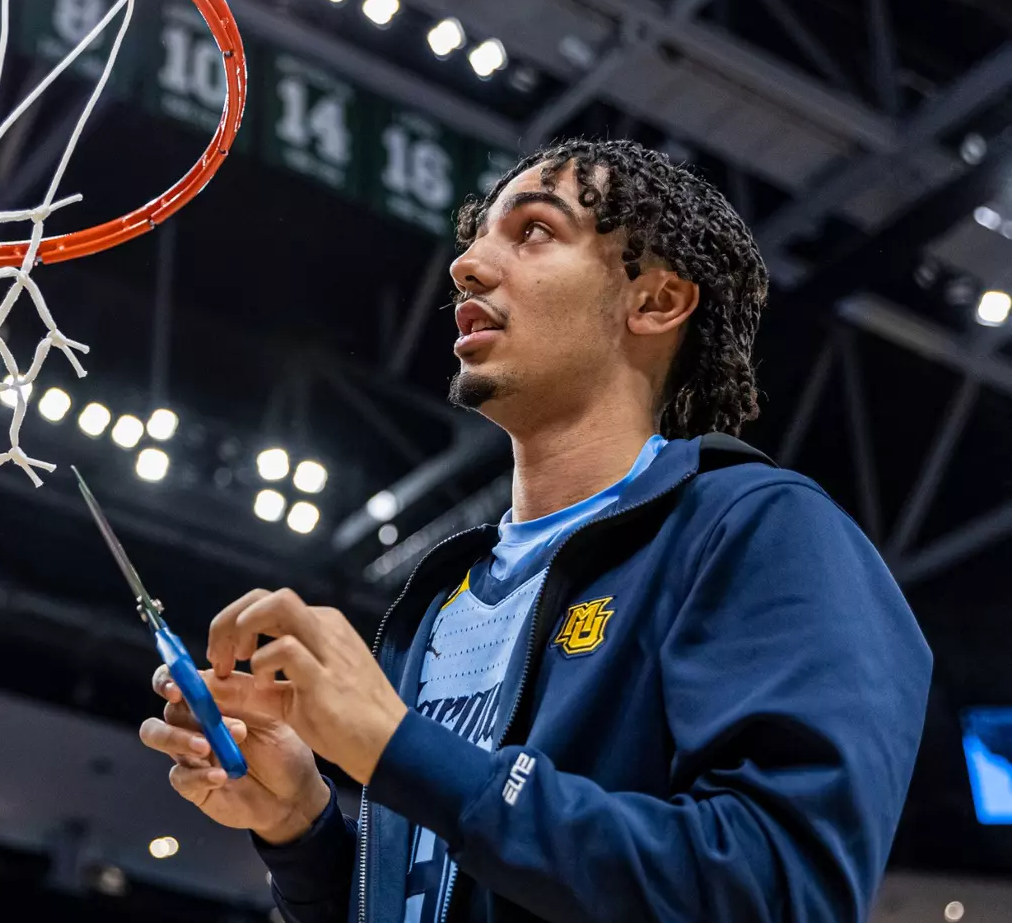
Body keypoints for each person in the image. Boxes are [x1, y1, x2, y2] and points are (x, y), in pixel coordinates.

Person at [139, 140, 932, 923]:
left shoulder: (759, 529)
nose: (467, 266)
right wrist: (302, 832)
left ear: (655, 302)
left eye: (535, 231)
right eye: (477, 237)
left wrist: (400, 747)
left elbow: (779, 894)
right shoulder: (441, 604)